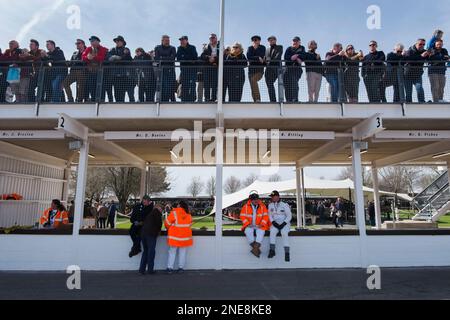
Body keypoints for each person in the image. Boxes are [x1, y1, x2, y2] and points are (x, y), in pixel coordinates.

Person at [164, 201, 193, 274]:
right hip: (185, 238)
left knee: (172, 252)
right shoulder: (188, 215)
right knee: (182, 253)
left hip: (174, 237)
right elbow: (189, 225)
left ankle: (170, 268)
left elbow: (167, 223)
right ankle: (181, 268)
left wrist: (169, 227)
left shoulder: (174, 213)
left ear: (179, 205)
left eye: (178, 204)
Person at [240, 192, 270, 258]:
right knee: (248, 231)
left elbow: (266, 216)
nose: (256, 200)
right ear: (251, 200)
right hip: (249, 225)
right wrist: (247, 224)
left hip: (259, 225)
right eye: (254, 199)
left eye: (257, 199)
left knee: (261, 232)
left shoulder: (263, 206)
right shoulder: (245, 207)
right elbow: (242, 217)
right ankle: (256, 249)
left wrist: (262, 224)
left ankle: (255, 249)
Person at [107, 36, 133, 103]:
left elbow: (128, 59)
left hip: (123, 75)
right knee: (116, 93)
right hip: (114, 75)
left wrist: (118, 58)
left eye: (119, 41)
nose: (117, 42)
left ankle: (121, 106)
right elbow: (109, 57)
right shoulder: (112, 49)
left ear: (122, 42)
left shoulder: (126, 49)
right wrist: (117, 58)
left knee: (122, 93)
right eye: (116, 41)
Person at [268, 191, 292, 262]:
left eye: (273, 196)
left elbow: (289, 216)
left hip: (284, 224)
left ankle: (287, 253)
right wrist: (273, 222)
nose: (272, 198)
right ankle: (272, 250)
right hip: (275, 223)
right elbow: (269, 215)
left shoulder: (284, 205)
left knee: (284, 233)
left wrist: (284, 223)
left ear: (278, 196)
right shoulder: (270, 205)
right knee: (272, 232)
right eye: (271, 197)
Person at [403, 39, 430, 103]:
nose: (422, 46)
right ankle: (409, 104)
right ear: (416, 44)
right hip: (407, 75)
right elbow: (410, 59)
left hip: (417, 75)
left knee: (419, 88)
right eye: (420, 44)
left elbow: (429, 60)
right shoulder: (410, 51)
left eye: (423, 44)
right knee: (408, 92)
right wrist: (421, 56)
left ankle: (421, 102)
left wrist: (430, 54)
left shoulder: (424, 51)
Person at [82, 36, 108, 102]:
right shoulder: (88, 49)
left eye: (93, 41)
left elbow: (102, 58)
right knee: (92, 87)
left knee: (101, 88)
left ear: (98, 41)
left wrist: (92, 57)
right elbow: (83, 57)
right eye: (91, 41)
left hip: (100, 72)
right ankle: (93, 100)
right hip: (91, 72)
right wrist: (87, 58)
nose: (91, 42)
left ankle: (101, 100)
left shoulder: (104, 49)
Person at [139, 204, 163, 275]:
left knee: (145, 251)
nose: (162, 210)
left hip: (143, 233)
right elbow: (159, 224)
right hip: (151, 234)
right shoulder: (157, 213)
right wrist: (158, 231)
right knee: (151, 252)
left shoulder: (150, 213)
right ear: (157, 208)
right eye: (161, 208)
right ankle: (150, 270)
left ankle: (141, 270)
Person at [155, 35, 177, 102]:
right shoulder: (157, 47)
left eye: (168, 40)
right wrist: (167, 58)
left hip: (170, 70)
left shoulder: (172, 48)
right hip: (161, 70)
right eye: (166, 40)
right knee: (163, 86)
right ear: (162, 41)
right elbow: (156, 58)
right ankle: (164, 101)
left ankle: (173, 101)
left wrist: (162, 58)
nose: (168, 42)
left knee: (171, 86)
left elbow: (172, 58)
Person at [284, 37, 306, 102]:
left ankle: (295, 99)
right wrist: (292, 58)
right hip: (288, 69)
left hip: (297, 69)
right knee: (287, 84)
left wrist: (296, 56)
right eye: (293, 41)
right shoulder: (289, 48)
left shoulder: (302, 48)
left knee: (294, 82)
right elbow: (286, 57)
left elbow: (304, 56)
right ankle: (288, 100)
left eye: (296, 41)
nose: (295, 42)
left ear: (299, 42)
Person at [177, 36, 198, 102]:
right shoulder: (179, 48)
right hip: (183, 70)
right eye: (181, 40)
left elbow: (194, 57)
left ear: (187, 40)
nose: (181, 41)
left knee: (192, 85)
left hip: (192, 70)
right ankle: (184, 99)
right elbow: (178, 58)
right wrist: (189, 59)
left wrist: (184, 57)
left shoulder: (192, 47)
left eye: (183, 40)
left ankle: (192, 99)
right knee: (184, 85)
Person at [247, 35, 266, 102]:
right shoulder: (250, 48)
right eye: (253, 40)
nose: (254, 41)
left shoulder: (262, 47)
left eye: (256, 40)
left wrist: (256, 55)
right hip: (251, 71)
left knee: (253, 80)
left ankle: (258, 99)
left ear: (259, 41)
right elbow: (249, 57)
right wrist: (257, 58)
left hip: (259, 70)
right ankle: (255, 100)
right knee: (252, 86)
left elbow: (262, 55)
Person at [200, 34, 219, 102]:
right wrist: (209, 58)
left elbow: (223, 57)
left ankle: (213, 98)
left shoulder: (220, 46)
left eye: (213, 38)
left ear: (216, 38)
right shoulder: (206, 47)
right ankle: (207, 98)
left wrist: (214, 59)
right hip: (207, 68)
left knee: (215, 84)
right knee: (207, 84)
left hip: (216, 68)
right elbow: (202, 56)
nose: (211, 39)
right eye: (210, 38)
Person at [265, 36, 283, 103]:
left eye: (272, 40)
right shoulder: (267, 50)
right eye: (270, 40)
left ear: (275, 40)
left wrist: (268, 61)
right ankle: (273, 100)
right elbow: (265, 59)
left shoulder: (279, 47)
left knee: (282, 84)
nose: (271, 41)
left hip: (277, 69)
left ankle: (284, 99)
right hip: (268, 70)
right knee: (269, 84)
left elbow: (277, 57)